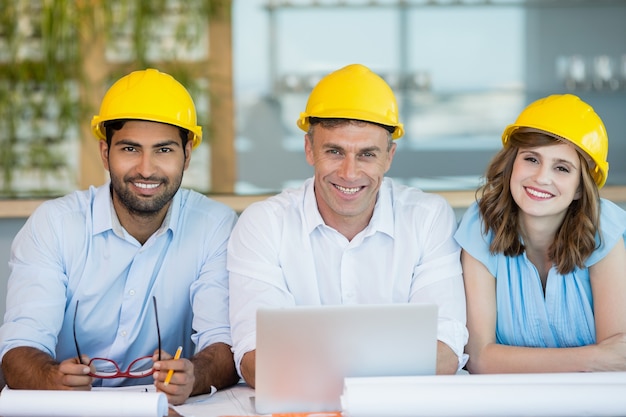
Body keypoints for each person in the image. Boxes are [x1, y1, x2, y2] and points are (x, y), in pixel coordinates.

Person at [0, 68, 240, 404]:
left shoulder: (214, 226)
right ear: (105, 152)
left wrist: (195, 375)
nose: (146, 168)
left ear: (187, 154)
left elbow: (224, 343)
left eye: (164, 150)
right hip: (72, 410)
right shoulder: (54, 225)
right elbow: (19, 346)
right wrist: (50, 377)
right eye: (130, 149)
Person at [227, 63, 468, 388]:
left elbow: (445, 353)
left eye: (367, 154)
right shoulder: (265, 225)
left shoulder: (427, 218)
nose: (349, 173)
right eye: (334, 151)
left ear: (389, 157)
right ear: (309, 149)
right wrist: (399, 359)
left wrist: (306, 364)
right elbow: (257, 362)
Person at [455, 94, 626, 373]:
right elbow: (477, 358)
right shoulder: (480, 226)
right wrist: (593, 359)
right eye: (531, 159)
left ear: (581, 188)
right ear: (512, 164)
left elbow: (619, 357)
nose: (541, 177)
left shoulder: (603, 228)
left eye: (562, 168)